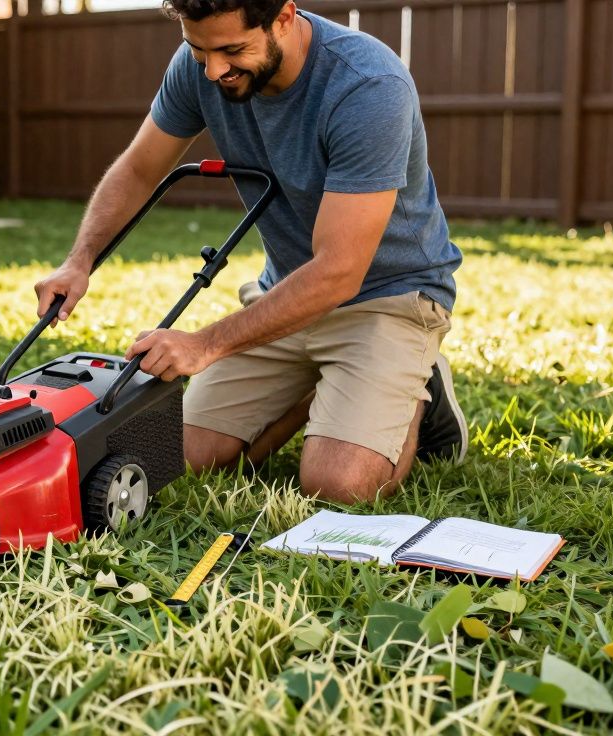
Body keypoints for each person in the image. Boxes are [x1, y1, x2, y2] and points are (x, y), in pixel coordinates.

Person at [32, 0, 466, 504]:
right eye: (199, 50)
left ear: (284, 15)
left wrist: (205, 344)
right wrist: (79, 260)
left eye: (232, 50)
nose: (214, 69)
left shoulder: (366, 85)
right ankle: (323, 387)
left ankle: (420, 384)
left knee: (339, 486)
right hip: (284, 296)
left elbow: (340, 272)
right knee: (175, 458)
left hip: (387, 297)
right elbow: (137, 170)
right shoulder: (198, 68)